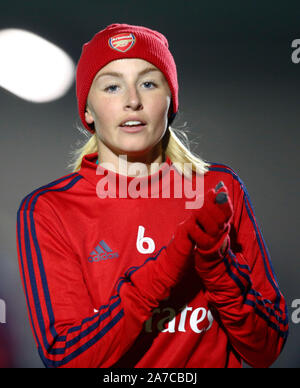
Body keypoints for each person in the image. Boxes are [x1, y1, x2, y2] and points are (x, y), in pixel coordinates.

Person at [16, 23, 288, 368]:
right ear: (87, 110)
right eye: (112, 86)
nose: (132, 101)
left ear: (171, 100)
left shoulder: (217, 189)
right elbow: (68, 358)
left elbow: (266, 349)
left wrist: (216, 262)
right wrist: (174, 259)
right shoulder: (49, 209)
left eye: (148, 83)